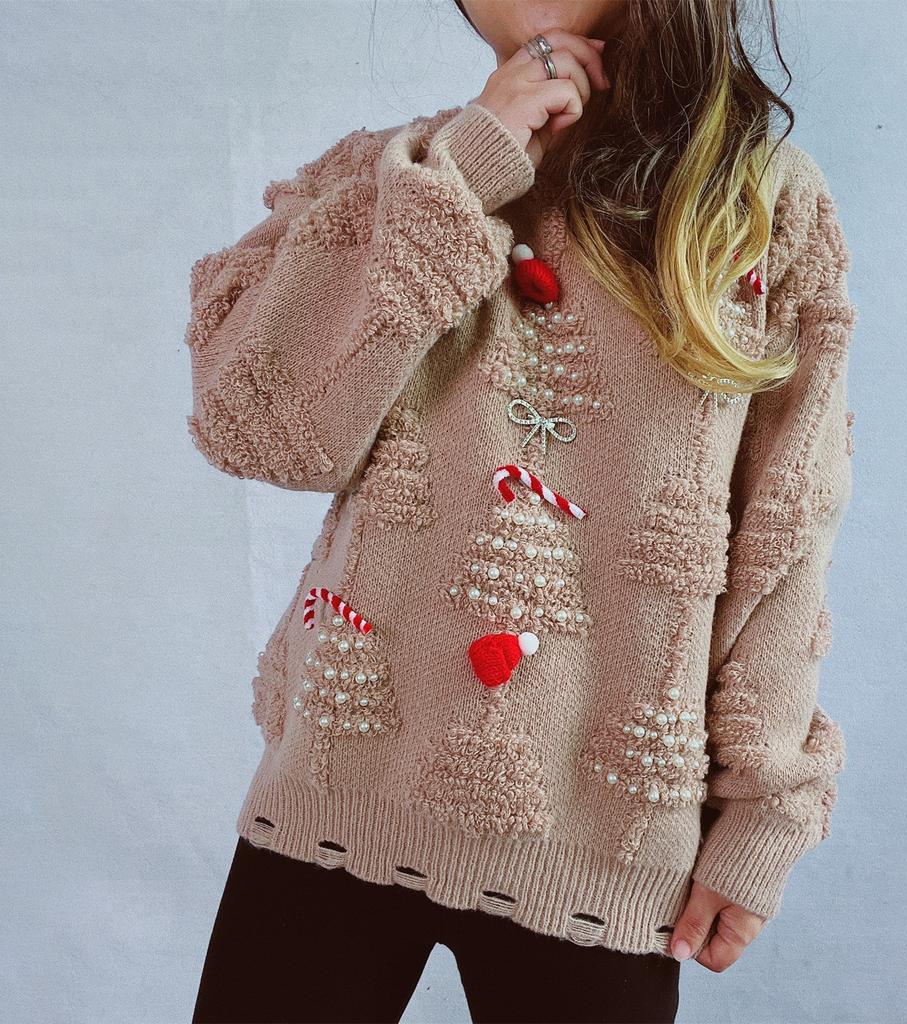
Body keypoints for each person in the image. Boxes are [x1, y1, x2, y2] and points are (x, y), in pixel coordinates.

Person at [186, 1, 858, 1021]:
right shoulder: (396, 174)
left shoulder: (762, 206)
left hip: (604, 844)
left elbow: (789, 526)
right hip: (333, 794)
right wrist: (464, 170)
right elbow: (260, 431)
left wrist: (767, 809)